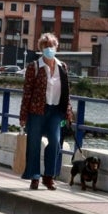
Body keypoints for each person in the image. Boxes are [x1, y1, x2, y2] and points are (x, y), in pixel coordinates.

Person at [19, 32, 74, 190]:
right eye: (46, 46)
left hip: (55, 110)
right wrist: (23, 116)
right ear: (41, 49)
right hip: (37, 110)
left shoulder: (62, 67)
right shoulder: (34, 67)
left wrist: (68, 112)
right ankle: (34, 176)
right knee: (34, 143)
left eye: (51, 46)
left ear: (56, 47)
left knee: (56, 142)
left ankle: (49, 176)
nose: (49, 49)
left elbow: (66, 92)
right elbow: (27, 93)